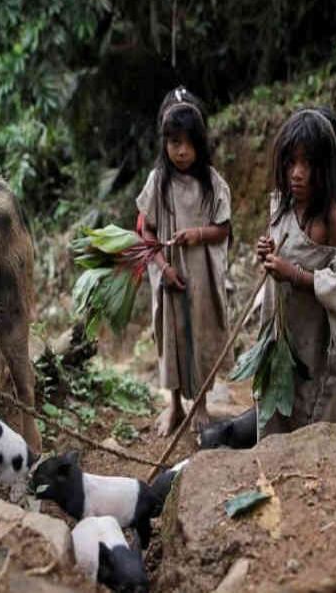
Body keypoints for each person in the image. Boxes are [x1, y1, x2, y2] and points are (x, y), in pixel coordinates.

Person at [137, 86, 232, 436]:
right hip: (169, 277)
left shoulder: (213, 184)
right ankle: (174, 405)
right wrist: (163, 267)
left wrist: (197, 235)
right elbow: (146, 232)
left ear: (201, 141)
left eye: (189, 142)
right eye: (174, 141)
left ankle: (202, 405)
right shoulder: (157, 183)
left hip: (202, 278)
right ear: (164, 142)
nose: (182, 150)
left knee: (202, 335)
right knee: (172, 336)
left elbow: (223, 229)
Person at [255, 107, 336, 438]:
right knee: (276, 413)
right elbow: (280, 246)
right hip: (281, 334)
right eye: (290, 162)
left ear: (326, 168)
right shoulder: (281, 204)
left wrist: (295, 275)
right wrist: (267, 254)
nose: (297, 173)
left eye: (308, 164)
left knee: (314, 415)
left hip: (316, 341)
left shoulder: (333, 220)